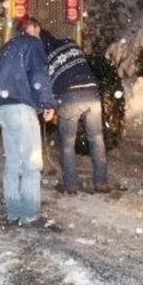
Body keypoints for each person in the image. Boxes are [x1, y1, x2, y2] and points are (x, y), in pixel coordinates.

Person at [0, 16, 56, 227]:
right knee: (32, 164)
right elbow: (38, 74)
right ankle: (30, 214)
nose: (40, 34)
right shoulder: (32, 43)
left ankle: (13, 213)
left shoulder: (7, 47)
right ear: (33, 28)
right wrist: (47, 103)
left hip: (3, 108)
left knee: (12, 163)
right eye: (38, 30)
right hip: (21, 108)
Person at [39, 30, 110, 194]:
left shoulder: (45, 57)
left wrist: (50, 106)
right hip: (92, 92)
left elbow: (47, 85)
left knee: (67, 143)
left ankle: (70, 185)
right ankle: (101, 182)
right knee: (97, 139)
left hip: (70, 96)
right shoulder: (70, 43)